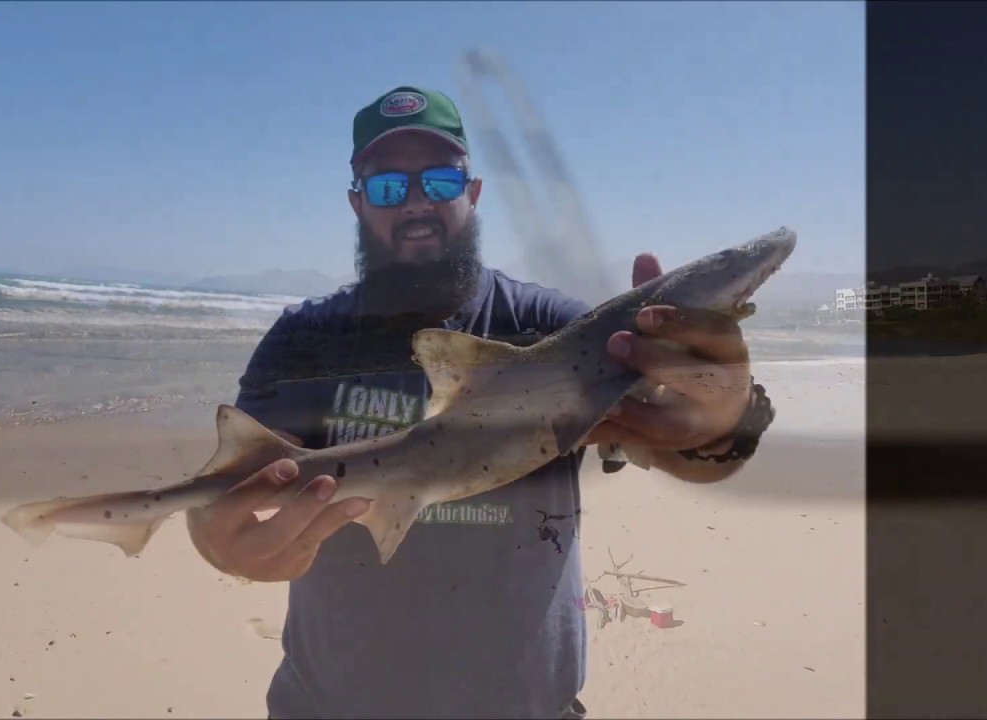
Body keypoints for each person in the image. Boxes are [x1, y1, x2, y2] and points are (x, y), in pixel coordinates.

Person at [185, 86, 775, 719]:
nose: (416, 202)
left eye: (439, 181)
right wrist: (221, 546)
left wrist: (724, 420)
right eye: (387, 186)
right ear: (357, 203)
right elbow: (225, 489)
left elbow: (680, 446)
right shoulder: (304, 340)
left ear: (473, 192)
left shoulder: (551, 329)